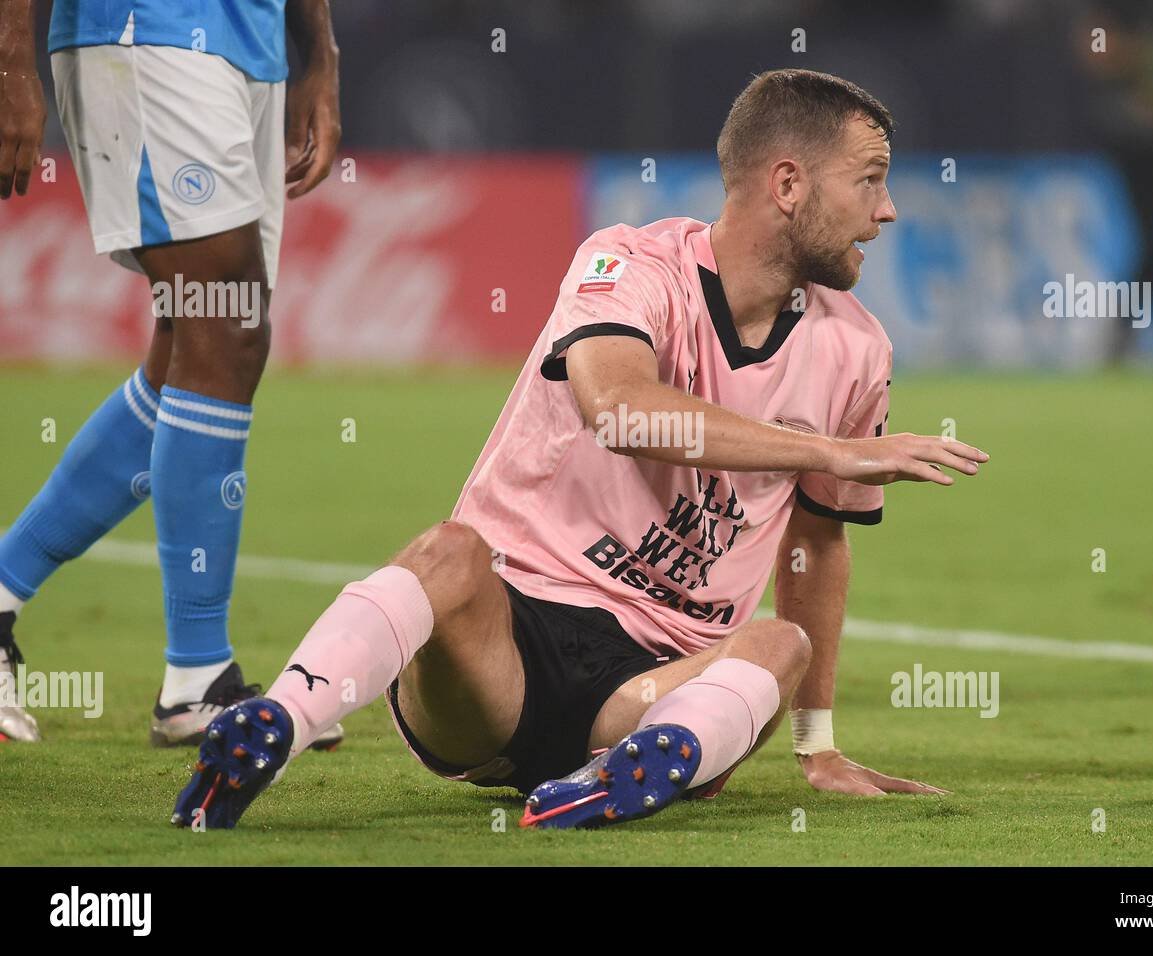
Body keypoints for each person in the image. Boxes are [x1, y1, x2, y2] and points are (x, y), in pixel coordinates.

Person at [173, 68, 988, 831]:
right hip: (502, 653)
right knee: (450, 554)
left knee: (781, 645)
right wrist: (823, 453)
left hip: (654, 683)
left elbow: (816, 544)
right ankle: (275, 722)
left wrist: (816, 742)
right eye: (870, 178)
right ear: (787, 184)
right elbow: (622, 411)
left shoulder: (857, 352)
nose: (886, 211)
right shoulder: (629, 264)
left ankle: (608, 782)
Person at [0, 0, 344, 748]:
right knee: (229, 326)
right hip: (144, 31)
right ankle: (196, 679)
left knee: (195, 344)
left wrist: (320, 56)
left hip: (251, 47)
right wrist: (8, 62)